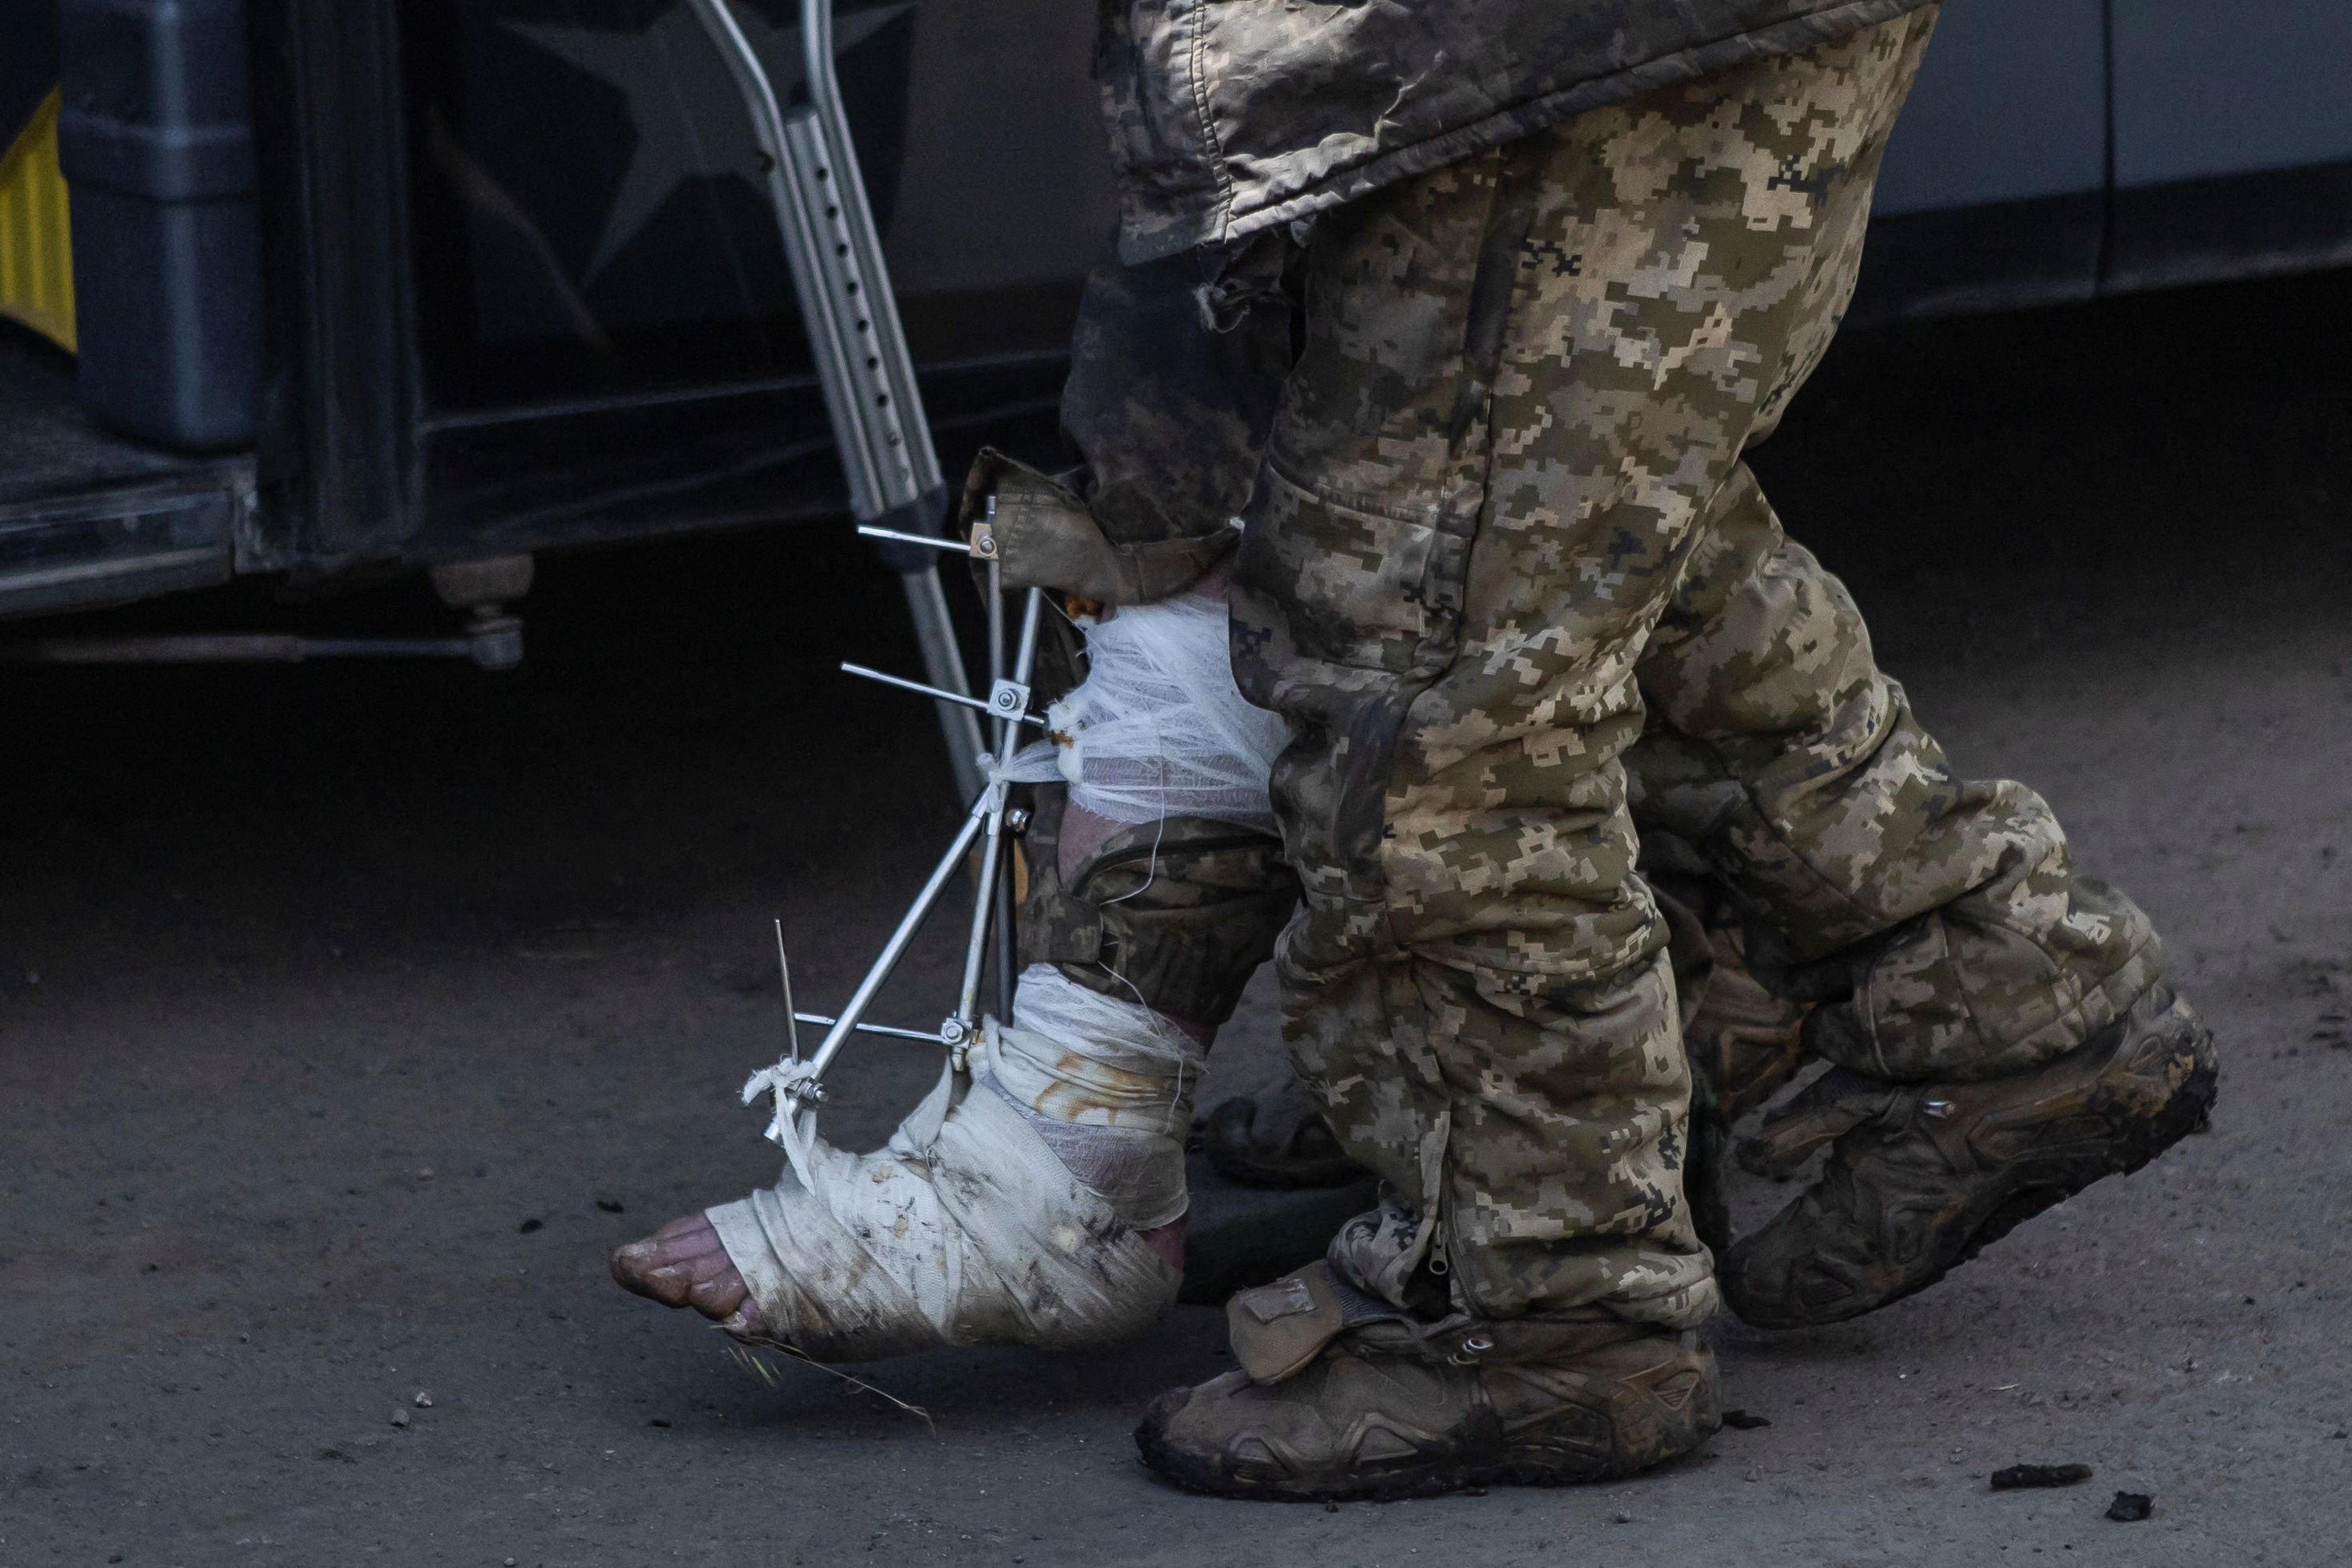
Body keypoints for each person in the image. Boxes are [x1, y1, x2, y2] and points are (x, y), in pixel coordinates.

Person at [614, 0, 2218, 1501]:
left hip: (1525, 43)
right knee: (1551, 532)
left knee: (1427, 646)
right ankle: (1987, 992)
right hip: (1488, 47)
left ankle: (1548, 1310)